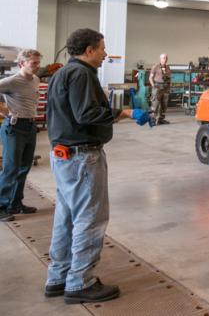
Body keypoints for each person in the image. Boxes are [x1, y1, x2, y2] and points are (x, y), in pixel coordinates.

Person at [45, 28, 125, 304]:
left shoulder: (61, 73)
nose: (105, 54)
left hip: (64, 156)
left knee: (66, 217)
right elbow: (86, 113)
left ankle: (58, 276)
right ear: (89, 50)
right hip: (82, 157)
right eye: (102, 49)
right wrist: (121, 113)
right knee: (90, 218)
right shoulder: (81, 74)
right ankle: (80, 282)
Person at [0, 49, 42, 222]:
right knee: (11, 169)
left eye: (38, 62)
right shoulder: (11, 81)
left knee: (24, 167)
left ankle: (15, 204)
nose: (38, 66)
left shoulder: (36, 80)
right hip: (14, 127)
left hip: (30, 126)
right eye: (34, 63)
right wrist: (4, 110)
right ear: (21, 64)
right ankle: (1, 206)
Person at [149, 54, 171, 125]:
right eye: (164, 58)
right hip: (157, 86)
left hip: (166, 87)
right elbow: (150, 78)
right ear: (160, 59)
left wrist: (169, 85)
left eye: (166, 58)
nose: (165, 59)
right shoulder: (155, 67)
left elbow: (169, 77)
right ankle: (152, 119)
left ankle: (161, 119)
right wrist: (153, 86)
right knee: (155, 104)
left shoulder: (168, 67)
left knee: (164, 104)